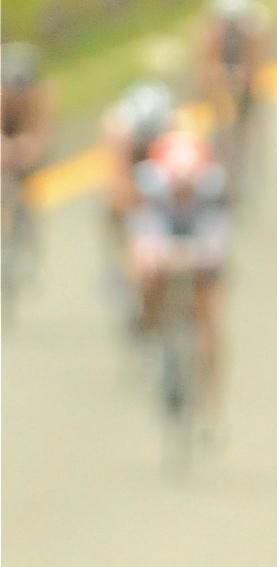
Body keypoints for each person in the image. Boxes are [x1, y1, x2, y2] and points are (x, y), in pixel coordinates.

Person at [127, 127, 229, 419]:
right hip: (166, 244)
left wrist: (186, 259)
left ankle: (211, 399)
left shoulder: (211, 194)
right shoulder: (152, 191)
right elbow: (143, 243)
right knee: (146, 275)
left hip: (199, 249)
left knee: (210, 314)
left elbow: (216, 249)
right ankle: (148, 325)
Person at [99, 81, 178, 324]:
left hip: (159, 172)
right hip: (129, 172)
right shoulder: (117, 129)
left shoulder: (174, 128)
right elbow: (119, 181)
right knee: (114, 209)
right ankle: (120, 265)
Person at [198, 0, 268, 195]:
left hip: (243, 66)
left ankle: (241, 147)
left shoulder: (255, 26)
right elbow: (208, 63)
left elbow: (254, 62)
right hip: (223, 66)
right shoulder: (211, 30)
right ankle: (220, 150)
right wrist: (216, 88)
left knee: (246, 115)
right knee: (219, 118)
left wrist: (245, 83)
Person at [0, 43, 55, 304]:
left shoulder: (40, 96)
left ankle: (27, 242)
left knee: (27, 194)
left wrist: (31, 149)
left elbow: (43, 133)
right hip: (6, 143)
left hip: (27, 146)